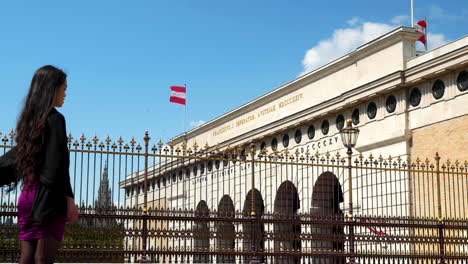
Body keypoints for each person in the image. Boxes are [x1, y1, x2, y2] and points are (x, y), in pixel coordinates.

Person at [0, 65, 79, 264]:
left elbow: (17, 159)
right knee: (43, 258)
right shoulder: (55, 119)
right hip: (48, 198)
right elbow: (56, 168)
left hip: (27, 197)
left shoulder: (29, 121)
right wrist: (68, 198)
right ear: (52, 89)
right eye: (64, 89)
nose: (66, 94)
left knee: (26, 258)